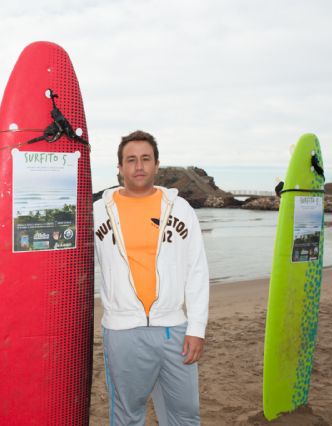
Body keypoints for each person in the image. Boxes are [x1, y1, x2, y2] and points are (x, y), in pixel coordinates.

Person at [93, 130, 209, 425]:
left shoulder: (180, 210)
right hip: (123, 331)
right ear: (119, 168)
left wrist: (197, 328)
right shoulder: (96, 213)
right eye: (131, 160)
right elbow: (70, 264)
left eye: (146, 159)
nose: (139, 166)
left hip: (174, 328)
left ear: (157, 165)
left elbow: (196, 271)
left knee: (184, 415)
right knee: (128, 416)